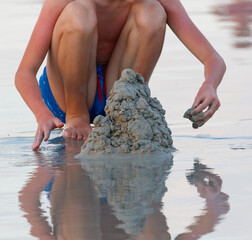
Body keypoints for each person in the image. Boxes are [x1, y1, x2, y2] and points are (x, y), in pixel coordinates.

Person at [15, 0, 226, 150]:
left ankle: (123, 112)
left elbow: (213, 58)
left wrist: (210, 85)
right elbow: (24, 72)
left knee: (152, 10)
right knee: (79, 12)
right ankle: (77, 116)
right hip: (65, 93)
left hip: (115, 88)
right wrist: (42, 114)